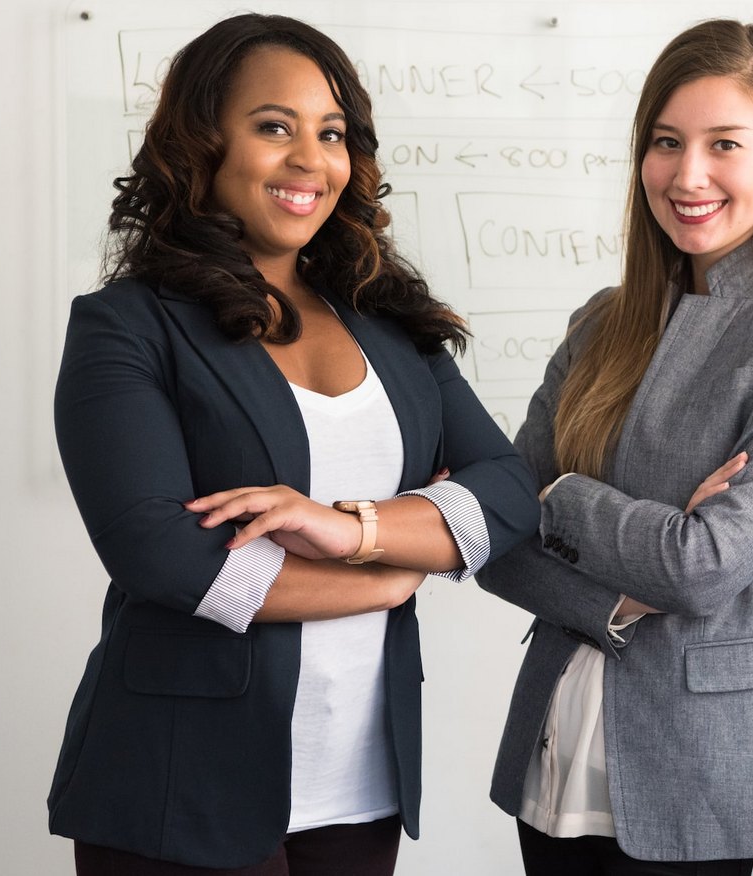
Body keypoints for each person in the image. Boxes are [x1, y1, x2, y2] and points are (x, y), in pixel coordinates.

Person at [46, 14, 538, 876]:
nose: (311, 158)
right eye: (275, 127)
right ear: (202, 144)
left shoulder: (389, 323)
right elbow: (160, 553)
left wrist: (353, 532)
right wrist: (385, 581)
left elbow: (507, 492)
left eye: (332, 132)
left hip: (359, 777)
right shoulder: (127, 326)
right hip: (180, 778)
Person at [478, 18, 753, 875]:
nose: (687, 174)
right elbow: (493, 538)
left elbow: (703, 565)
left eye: (724, 143)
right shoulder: (602, 320)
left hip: (704, 759)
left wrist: (561, 496)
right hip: (557, 739)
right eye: (666, 142)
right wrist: (617, 596)